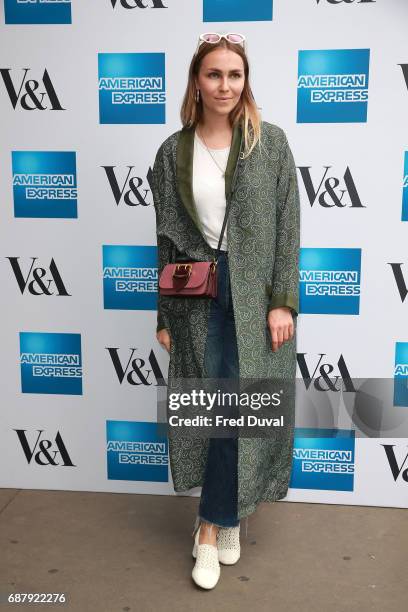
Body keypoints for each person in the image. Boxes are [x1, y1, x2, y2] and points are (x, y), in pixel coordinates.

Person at [151, 32, 300, 590]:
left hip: (255, 292)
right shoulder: (172, 152)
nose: (224, 85)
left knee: (246, 405)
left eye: (234, 75)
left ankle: (215, 521)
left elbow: (290, 227)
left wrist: (283, 301)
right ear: (197, 80)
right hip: (196, 296)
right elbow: (165, 240)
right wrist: (164, 314)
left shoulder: (272, 143)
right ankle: (216, 523)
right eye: (214, 74)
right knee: (210, 404)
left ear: (246, 81)